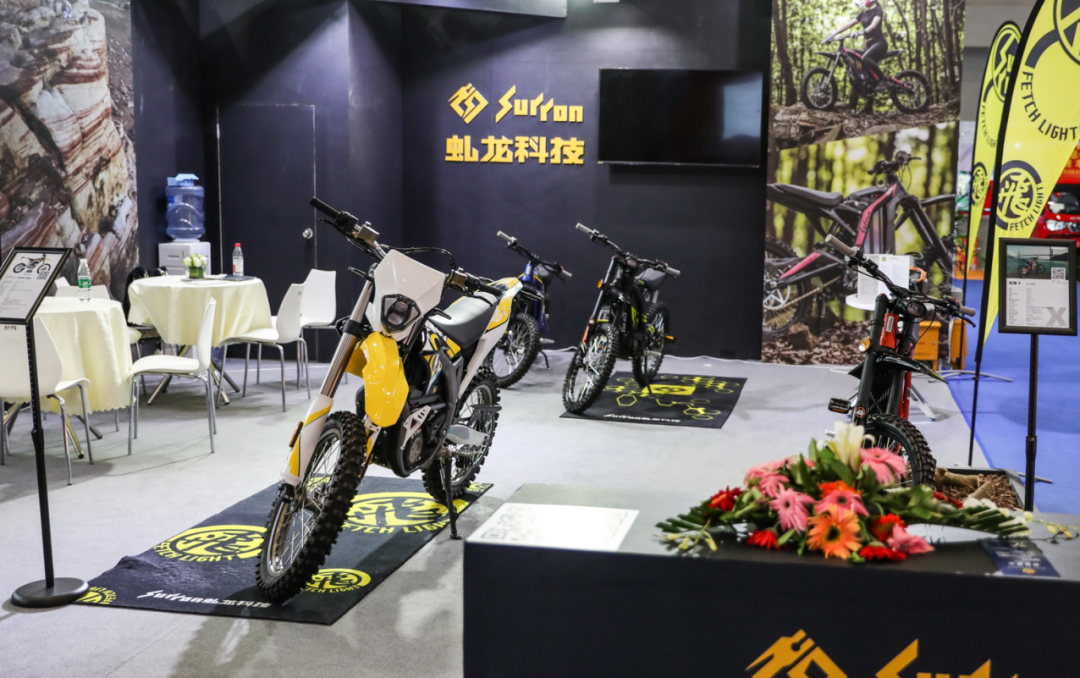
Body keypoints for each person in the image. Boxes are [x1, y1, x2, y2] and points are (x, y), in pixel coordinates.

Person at [823, 0, 889, 93]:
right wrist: (833, 34)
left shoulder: (878, 10)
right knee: (856, 57)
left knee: (865, 58)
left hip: (879, 43)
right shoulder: (864, 12)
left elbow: (873, 25)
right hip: (868, 45)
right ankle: (870, 95)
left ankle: (883, 80)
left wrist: (861, 32)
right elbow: (849, 24)